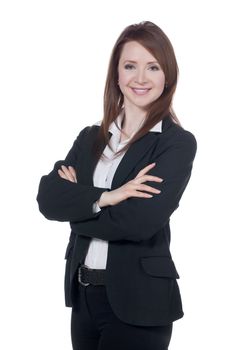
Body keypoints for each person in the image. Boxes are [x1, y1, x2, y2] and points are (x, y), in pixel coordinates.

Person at [36, 20, 197, 350]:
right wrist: (109, 197)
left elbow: (138, 222)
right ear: (116, 74)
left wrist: (80, 204)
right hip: (83, 297)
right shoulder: (90, 138)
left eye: (152, 67)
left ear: (168, 76)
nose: (140, 78)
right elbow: (48, 198)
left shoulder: (175, 144)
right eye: (130, 66)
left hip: (139, 302)